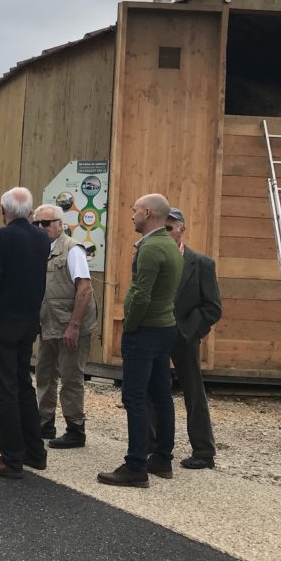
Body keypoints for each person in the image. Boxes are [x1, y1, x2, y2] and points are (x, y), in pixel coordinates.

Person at [98, 193, 183, 488]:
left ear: (148, 213)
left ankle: (135, 465)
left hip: (145, 330)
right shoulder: (171, 246)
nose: (132, 215)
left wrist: (129, 325)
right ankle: (162, 458)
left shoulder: (149, 249)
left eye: (134, 210)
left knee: (133, 397)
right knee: (161, 395)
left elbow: (140, 294)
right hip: (165, 327)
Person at [0, 187, 49, 479]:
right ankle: (34, 451)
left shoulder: (1, 237)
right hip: (28, 320)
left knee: (5, 390)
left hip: (3, 321)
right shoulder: (41, 237)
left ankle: (11, 457)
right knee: (22, 384)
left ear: (4, 212)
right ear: (29, 211)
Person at [150, 208, 222, 470]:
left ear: (181, 229)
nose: (165, 233)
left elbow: (213, 307)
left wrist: (188, 330)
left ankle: (203, 451)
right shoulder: (152, 257)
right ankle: (152, 444)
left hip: (184, 337)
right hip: (155, 332)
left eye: (169, 228)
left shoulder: (201, 264)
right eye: (161, 228)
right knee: (151, 389)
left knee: (193, 393)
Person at [33, 203, 98, 449]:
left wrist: (74, 326)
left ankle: (75, 429)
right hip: (48, 324)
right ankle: (45, 422)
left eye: (46, 223)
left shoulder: (72, 250)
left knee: (71, 377)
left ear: (60, 225)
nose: (41, 228)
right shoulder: (39, 249)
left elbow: (85, 289)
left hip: (70, 326)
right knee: (44, 374)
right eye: (37, 223)